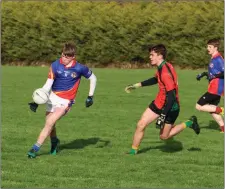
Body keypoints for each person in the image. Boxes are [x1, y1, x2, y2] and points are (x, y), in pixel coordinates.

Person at [125, 44, 200, 155]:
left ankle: (189, 123)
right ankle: (133, 151)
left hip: (171, 107)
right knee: (141, 124)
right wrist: (137, 85)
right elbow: (156, 79)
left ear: (160, 56)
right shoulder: (163, 67)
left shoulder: (165, 72)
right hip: (159, 103)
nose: (150, 57)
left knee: (164, 136)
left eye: (152, 55)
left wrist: (163, 115)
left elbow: (172, 96)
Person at [27, 42, 97, 158]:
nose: (64, 58)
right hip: (52, 97)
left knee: (49, 122)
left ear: (73, 56)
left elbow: (93, 78)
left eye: (68, 56)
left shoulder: (80, 68)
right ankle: (54, 142)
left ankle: (35, 148)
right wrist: (37, 101)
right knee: (50, 124)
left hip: (66, 102)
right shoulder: (55, 65)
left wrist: (90, 96)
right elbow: (48, 84)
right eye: (64, 55)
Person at [196, 39, 224, 133]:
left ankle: (221, 109)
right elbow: (214, 72)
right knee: (212, 109)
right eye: (207, 46)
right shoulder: (214, 58)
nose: (207, 49)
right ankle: (223, 128)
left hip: (215, 88)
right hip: (214, 87)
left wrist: (214, 76)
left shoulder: (218, 59)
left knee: (199, 106)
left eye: (210, 47)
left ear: (215, 48)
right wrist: (204, 74)